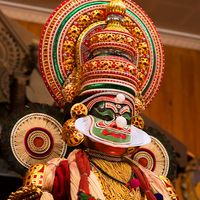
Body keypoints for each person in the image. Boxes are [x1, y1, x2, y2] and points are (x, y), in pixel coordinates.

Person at [8, 0, 179, 199]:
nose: (118, 123)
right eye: (106, 115)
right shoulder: (55, 175)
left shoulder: (154, 183)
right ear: (80, 113)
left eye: (126, 116)